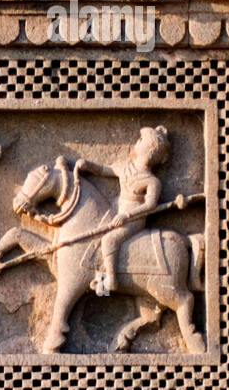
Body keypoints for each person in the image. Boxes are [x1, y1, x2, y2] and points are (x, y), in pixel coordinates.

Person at [76, 125, 177, 296]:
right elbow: (104, 170)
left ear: (151, 151)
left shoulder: (152, 181)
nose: (138, 142)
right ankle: (96, 280)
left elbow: (150, 205)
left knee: (108, 240)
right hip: (117, 210)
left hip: (133, 219)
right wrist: (87, 165)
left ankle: (111, 281)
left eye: (142, 140)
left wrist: (127, 216)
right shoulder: (125, 167)